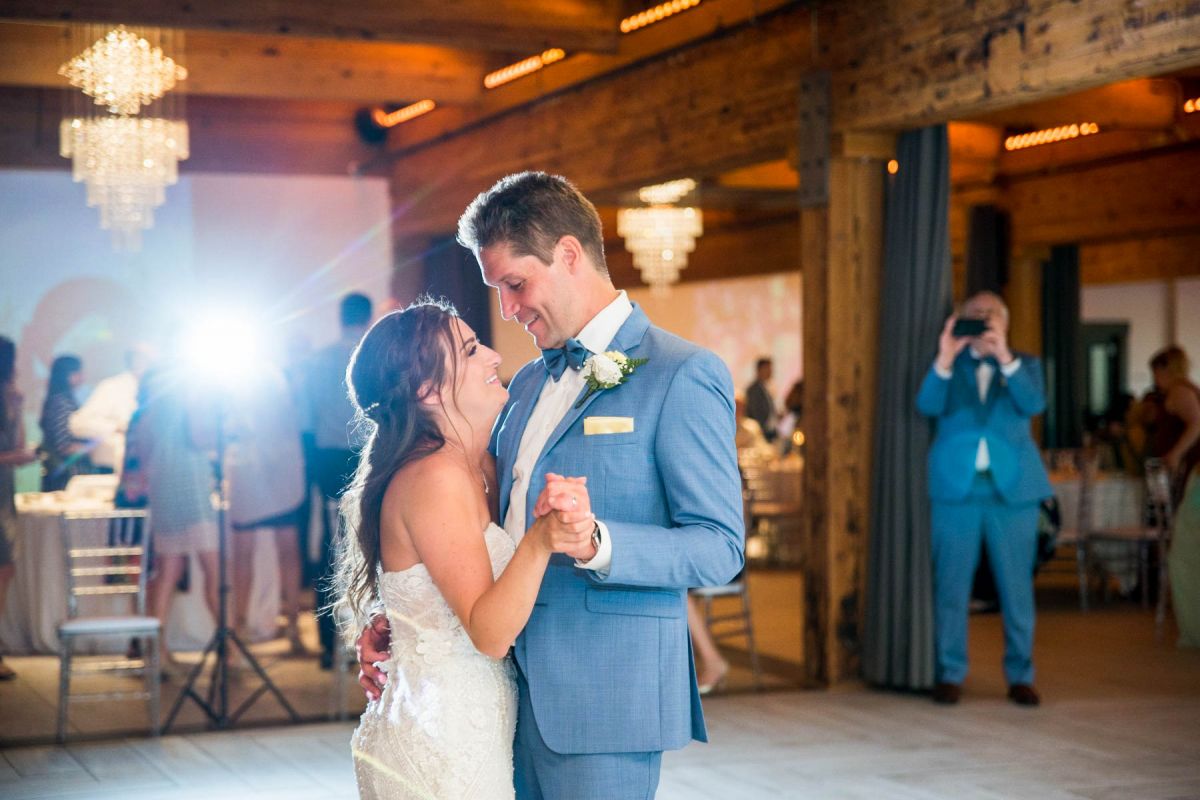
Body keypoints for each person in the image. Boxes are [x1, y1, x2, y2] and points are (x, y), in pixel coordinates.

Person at [356, 172, 745, 799]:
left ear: (567, 254)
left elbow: (719, 547)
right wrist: (408, 615)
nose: (507, 310)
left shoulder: (682, 374)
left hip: (602, 700)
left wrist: (597, 543)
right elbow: (471, 522)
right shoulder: (526, 386)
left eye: (515, 285)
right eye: (498, 292)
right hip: (496, 699)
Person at [337, 300, 595, 798]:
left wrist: (393, 618)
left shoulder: (479, 466)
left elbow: (432, 585)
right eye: (472, 350)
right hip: (439, 736)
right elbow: (490, 634)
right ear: (427, 390)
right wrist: (542, 539)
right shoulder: (435, 477)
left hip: (471, 723)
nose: (494, 356)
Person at [916, 291, 1053, 707]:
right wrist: (945, 355)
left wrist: (1005, 356)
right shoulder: (947, 364)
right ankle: (950, 672)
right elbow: (926, 405)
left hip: (1012, 493)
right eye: (973, 314)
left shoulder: (1024, 364)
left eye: (989, 314)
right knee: (951, 586)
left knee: (1017, 588)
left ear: (1004, 323)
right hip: (955, 491)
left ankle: (1021, 675)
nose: (981, 320)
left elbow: (1033, 403)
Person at [131, 367, 221, 672]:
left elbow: (144, 458)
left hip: (163, 493)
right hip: (192, 492)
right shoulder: (191, 402)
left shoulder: (148, 415)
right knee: (214, 571)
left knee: (167, 571)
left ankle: (157, 652)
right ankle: (230, 648)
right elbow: (200, 437)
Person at [305, 292, 373, 669]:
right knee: (369, 544)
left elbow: (308, 415)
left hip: (327, 457)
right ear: (368, 317)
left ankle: (328, 644)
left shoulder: (320, 359)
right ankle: (367, 636)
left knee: (331, 548)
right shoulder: (372, 354)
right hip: (366, 455)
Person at [226, 363, 307, 653]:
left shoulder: (278, 378)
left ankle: (292, 625)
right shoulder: (240, 382)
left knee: (285, 552)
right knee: (245, 554)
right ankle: (240, 626)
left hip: (279, 472)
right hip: (250, 473)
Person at [0, 337, 39, 680]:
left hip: (4, 494)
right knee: (3, 570)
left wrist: (17, 409)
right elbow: (14, 452)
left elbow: (18, 445)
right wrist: (16, 457)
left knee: (6, 569)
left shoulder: (7, 398)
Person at [68, 344, 153, 475]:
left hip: (150, 468)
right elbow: (78, 424)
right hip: (112, 467)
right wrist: (116, 427)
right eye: (143, 357)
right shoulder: (112, 387)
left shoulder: (159, 390)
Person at [1147, 346, 1200, 505]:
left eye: (1156, 373)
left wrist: (1176, 453)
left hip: (1186, 464)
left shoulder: (1180, 392)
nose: (1155, 379)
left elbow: (1196, 423)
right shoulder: (1181, 390)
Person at [38, 354, 90, 491]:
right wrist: (93, 446)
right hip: (66, 477)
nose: (82, 377)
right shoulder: (62, 403)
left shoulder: (58, 400)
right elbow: (64, 446)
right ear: (67, 375)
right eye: (78, 372)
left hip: (62, 475)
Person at [745, 357, 778, 442]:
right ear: (760, 369)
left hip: (769, 432)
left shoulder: (765, 388)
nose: (770, 372)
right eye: (768, 369)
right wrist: (760, 431)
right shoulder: (753, 389)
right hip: (761, 433)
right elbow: (754, 413)